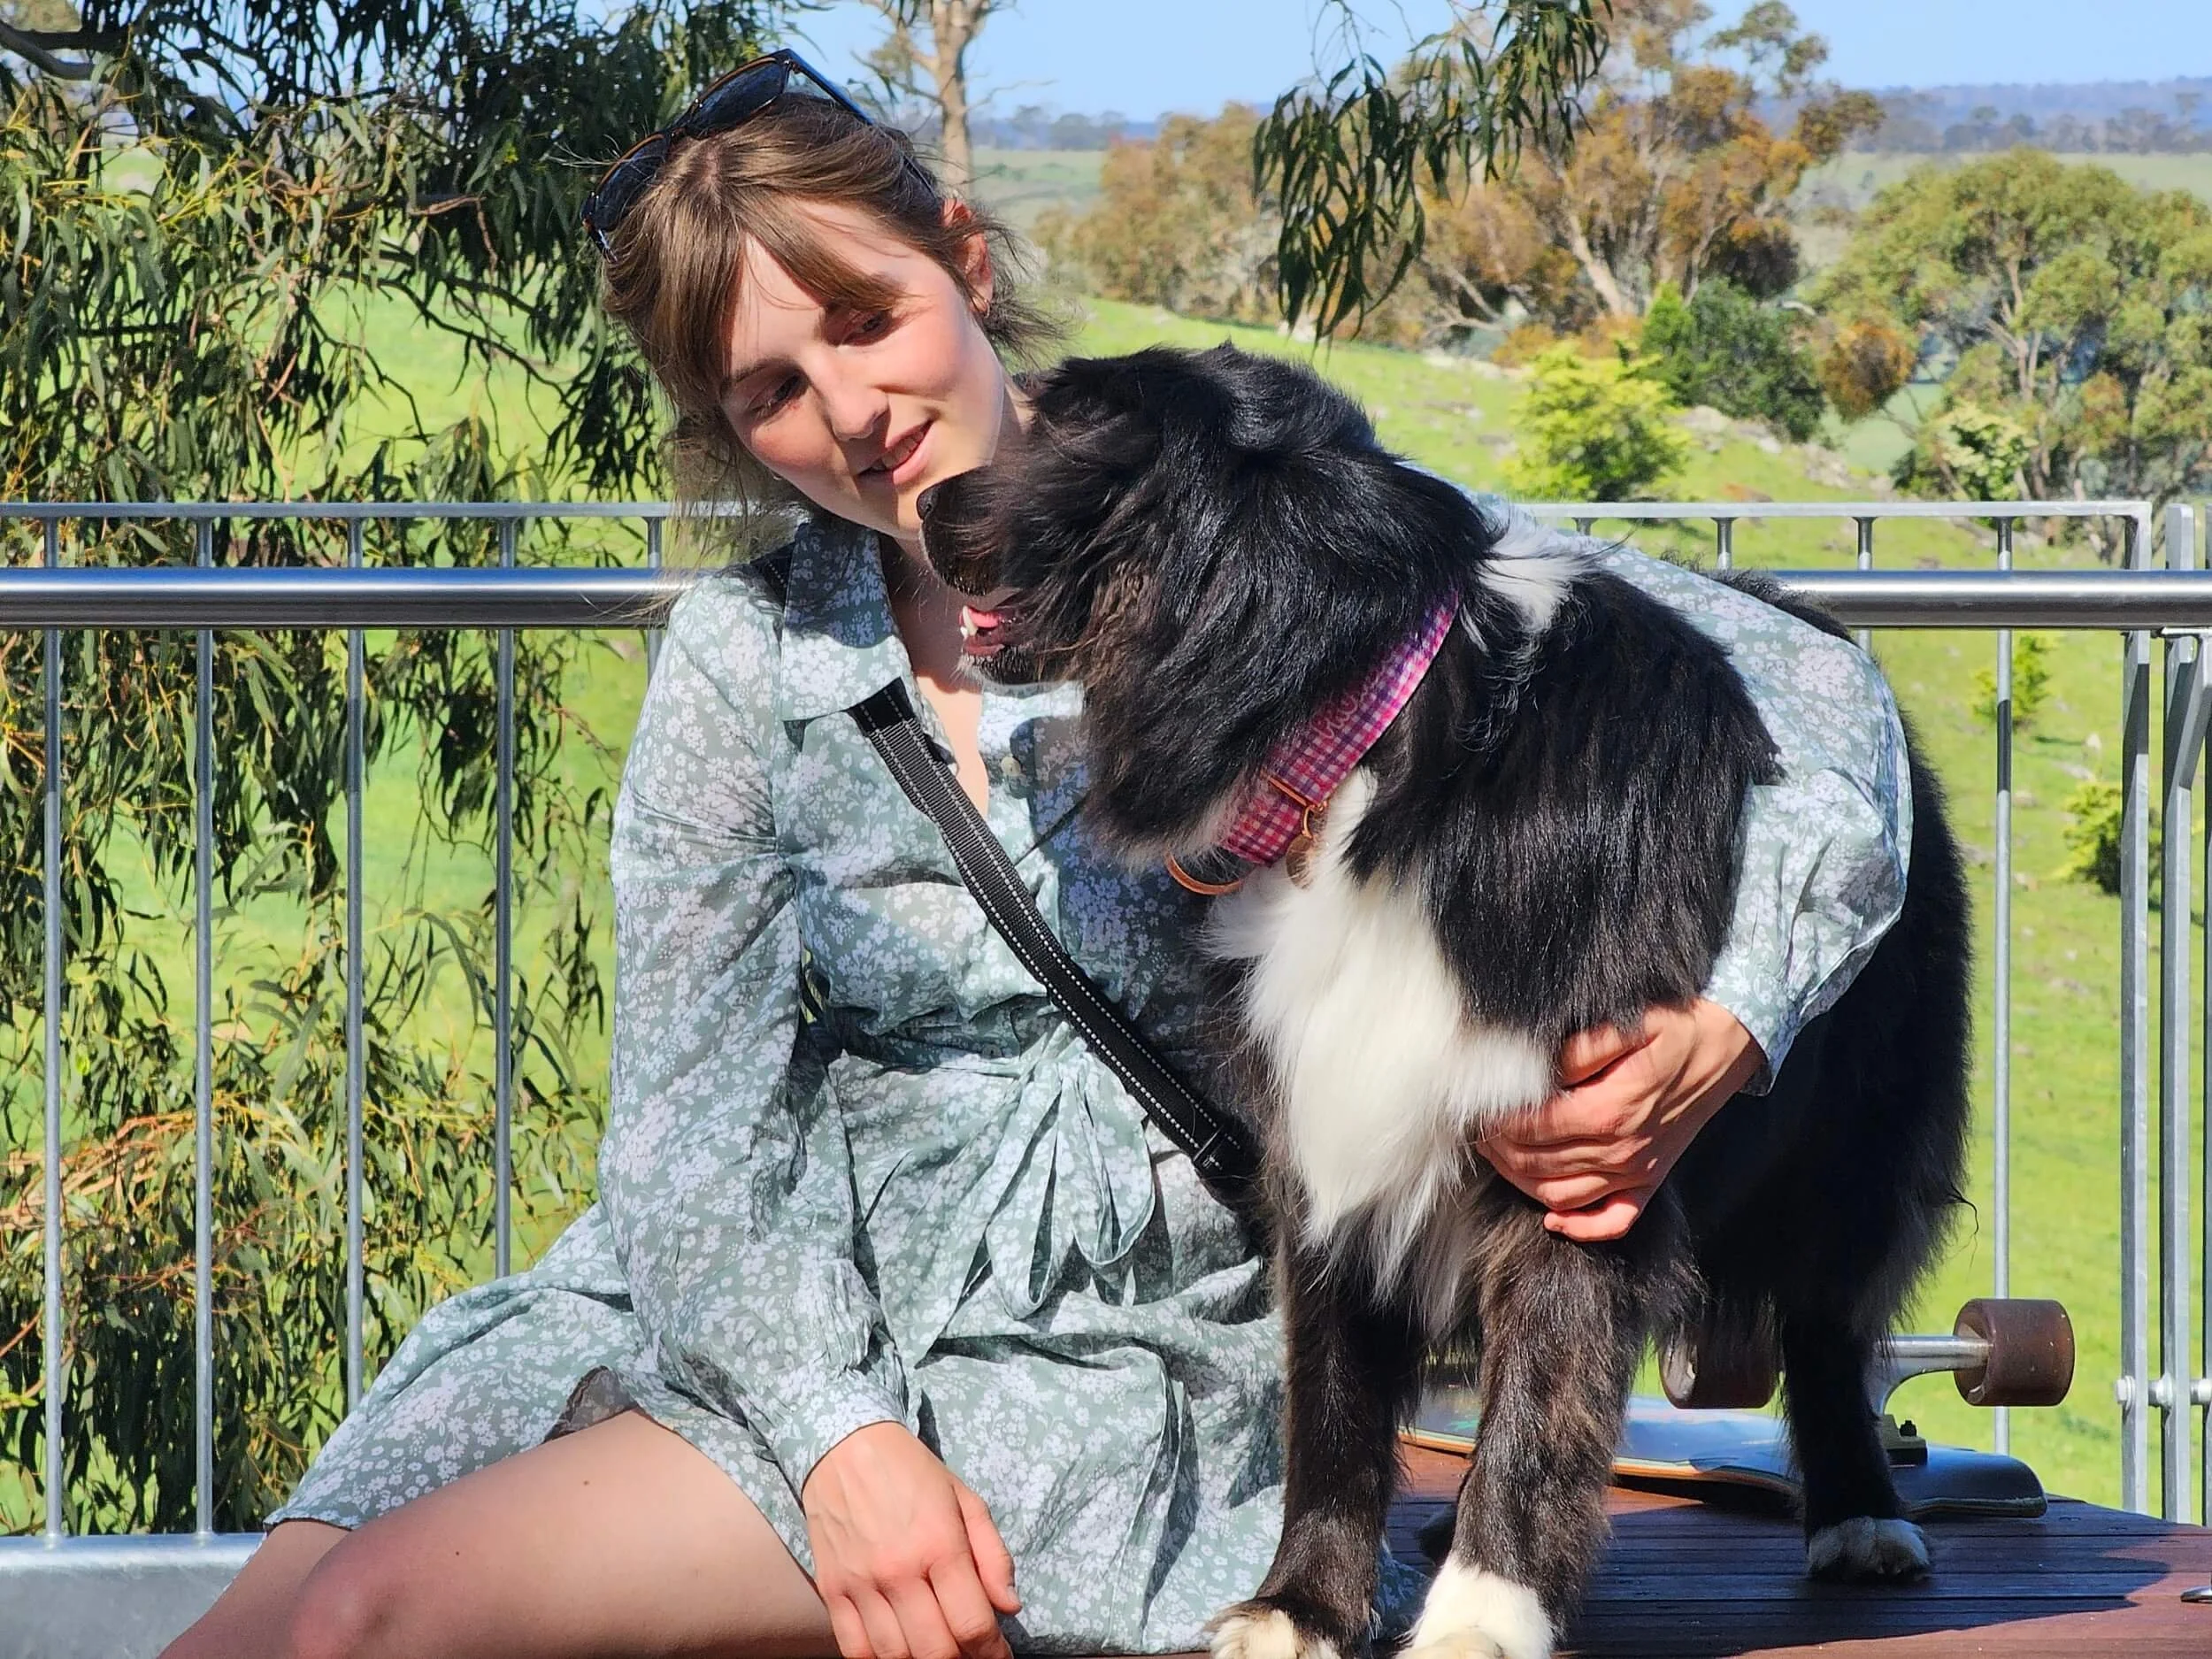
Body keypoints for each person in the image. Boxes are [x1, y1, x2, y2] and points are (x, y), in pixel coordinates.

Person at [158, 49, 1913, 1659]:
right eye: (766, 387)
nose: (844, 406)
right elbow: (687, 1124)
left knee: (372, 1623)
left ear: (964, 263)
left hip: (1100, 1353)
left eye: (863, 317)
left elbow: (1810, 693)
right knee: (248, 1636)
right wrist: (834, 1432)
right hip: (757, 1306)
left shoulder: (1238, 505)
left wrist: (1731, 1019)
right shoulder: (750, 661)